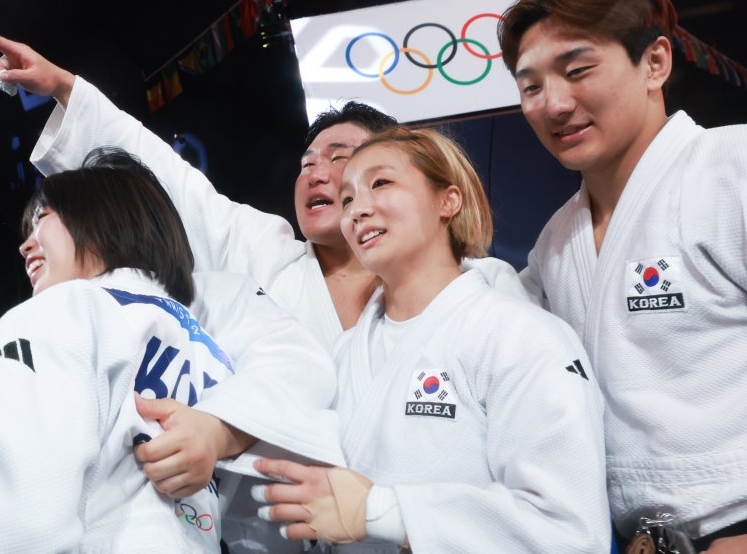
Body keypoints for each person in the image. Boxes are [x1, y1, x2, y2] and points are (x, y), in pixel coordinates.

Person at [0, 29, 528, 355]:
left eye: (343, 159)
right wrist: (66, 89)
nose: (316, 173)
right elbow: (174, 181)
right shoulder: (267, 253)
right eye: (307, 162)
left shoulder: (478, 289)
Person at [0, 149, 342, 553]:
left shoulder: (60, 311)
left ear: (102, 219)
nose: (25, 245)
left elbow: (6, 515)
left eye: (42, 219)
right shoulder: (206, 349)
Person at [253, 127, 610, 553]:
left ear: (448, 200)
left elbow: (568, 531)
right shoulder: (345, 354)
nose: (357, 210)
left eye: (381, 183)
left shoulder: (522, 336)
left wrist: (381, 511)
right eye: (347, 199)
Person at [498, 0, 747, 554]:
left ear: (655, 63)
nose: (554, 104)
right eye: (530, 86)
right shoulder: (555, 244)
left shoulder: (731, 167)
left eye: (578, 69)